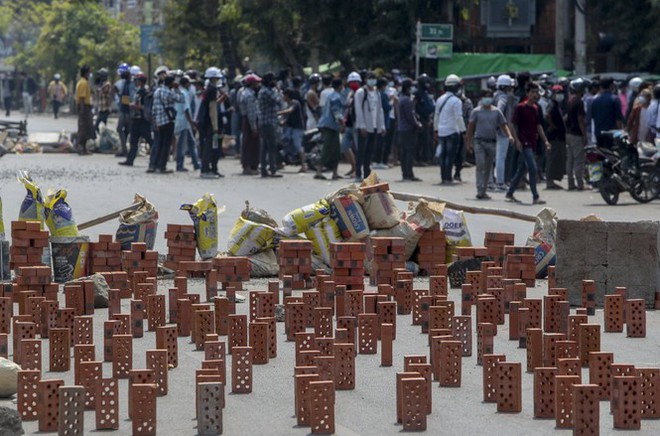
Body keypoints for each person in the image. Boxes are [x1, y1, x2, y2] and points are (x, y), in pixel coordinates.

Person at [505, 82, 549, 205]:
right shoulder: (520, 108)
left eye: (536, 92)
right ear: (527, 93)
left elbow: (538, 126)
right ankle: (535, 196)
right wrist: (517, 140)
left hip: (532, 141)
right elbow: (513, 125)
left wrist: (545, 141)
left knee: (522, 169)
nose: (535, 95)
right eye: (533, 92)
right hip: (524, 142)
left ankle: (510, 193)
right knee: (533, 169)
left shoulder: (535, 108)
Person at [466, 89, 513, 200]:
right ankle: (479, 189)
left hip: (491, 142)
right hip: (479, 142)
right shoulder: (476, 111)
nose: (488, 98)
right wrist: (469, 142)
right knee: (480, 165)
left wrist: (509, 136)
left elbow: (504, 125)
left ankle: (483, 191)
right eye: (485, 96)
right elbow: (470, 127)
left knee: (488, 168)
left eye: (489, 96)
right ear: (481, 98)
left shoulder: (496, 112)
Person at [433, 74, 465, 184]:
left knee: (443, 156)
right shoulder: (456, 101)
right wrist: (464, 131)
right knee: (450, 156)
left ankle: (443, 178)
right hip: (452, 132)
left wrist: (436, 130)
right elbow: (458, 118)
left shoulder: (439, 99)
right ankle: (448, 178)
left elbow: (436, 116)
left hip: (441, 132)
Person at [354, 71, 385, 181]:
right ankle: (358, 173)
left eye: (374, 78)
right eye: (370, 78)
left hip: (374, 125)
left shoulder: (377, 92)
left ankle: (366, 173)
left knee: (369, 151)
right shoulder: (360, 92)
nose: (372, 80)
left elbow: (380, 109)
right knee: (361, 150)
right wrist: (362, 125)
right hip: (364, 125)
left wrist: (382, 126)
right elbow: (358, 110)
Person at [150, 73, 184, 174]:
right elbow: (181, 99)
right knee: (166, 145)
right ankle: (162, 166)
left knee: (159, 144)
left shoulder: (157, 91)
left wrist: (155, 120)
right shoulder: (169, 93)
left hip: (159, 121)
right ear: (171, 83)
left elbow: (154, 108)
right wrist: (177, 89)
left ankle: (155, 165)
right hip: (168, 121)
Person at [196, 67, 225, 179]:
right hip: (209, 123)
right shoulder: (212, 89)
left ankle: (212, 169)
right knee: (209, 147)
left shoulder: (209, 88)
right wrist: (215, 126)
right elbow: (212, 109)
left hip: (205, 122)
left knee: (212, 147)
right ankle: (206, 170)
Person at [119, 73, 153, 166]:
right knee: (133, 141)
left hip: (143, 120)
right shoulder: (138, 91)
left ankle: (155, 159)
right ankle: (130, 160)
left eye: (137, 80)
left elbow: (147, 107)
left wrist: (136, 106)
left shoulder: (145, 92)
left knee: (149, 140)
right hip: (135, 119)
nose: (135, 82)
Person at [315, 77, 345, 180]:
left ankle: (335, 172)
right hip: (331, 126)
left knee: (336, 149)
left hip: (330, 126)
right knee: (328, 148)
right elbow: (336, 112)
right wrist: (342, 122)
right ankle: (319, 171)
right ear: (340, 86)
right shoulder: (336, 97)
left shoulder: (330, 95)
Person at [257, 72, 285, 178]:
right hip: (269, 122)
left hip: (264, 121)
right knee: (272, 147)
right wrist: (278, 90)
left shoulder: (263, 91)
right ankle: (273, 169)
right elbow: (280, 102)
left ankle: (264, 170)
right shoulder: (267, 92)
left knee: (264, 147)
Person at [565, 78, 588, 191]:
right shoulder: (579, 102)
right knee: (579, 159)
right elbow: (580, 120)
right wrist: (584, 135)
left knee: (570, 159)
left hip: (569, 133)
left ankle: (570, 183)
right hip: (576, 134)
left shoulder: (570, 101)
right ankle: (580, 183)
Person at [397, 79, 422, 182]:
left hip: (402, 128)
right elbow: (410, 116)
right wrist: (417, 124)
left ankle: (405, 174)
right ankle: (408, 174)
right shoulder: (407, 100)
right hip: (408, 129)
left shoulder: (401, 98)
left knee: (404, 152)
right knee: (409, 152)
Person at [174, 75, 200, 172]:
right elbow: (186, 109)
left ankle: (196, 164)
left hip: (182, 122)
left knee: (192, 143)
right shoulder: (184, 93)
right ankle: (179, 165)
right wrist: (191, 122)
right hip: (184, 122)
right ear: (186, 83)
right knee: (182, 145)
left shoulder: (179, 92)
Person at [544, 85, 567, 189]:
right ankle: (550, 182)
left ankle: (551, 181)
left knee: (556, 159)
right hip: (555, 137)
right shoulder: (552, 104)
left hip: (558, 136)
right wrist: (553, 125)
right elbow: (547, 115)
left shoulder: (557, 105)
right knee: (552, 158)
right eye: (557, 93)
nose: (559, 95)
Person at [591, 76, 623, 149]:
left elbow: (593, 116)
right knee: (611, 156)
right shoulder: (615, 99)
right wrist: (620, 133)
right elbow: (618, 119)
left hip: (598, 133)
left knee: (601, 155)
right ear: (611, 85)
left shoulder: (595, 100)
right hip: (611, 134)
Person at [279, 88, 307, 172]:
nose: (282, 97)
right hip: (291, 128)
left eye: (283, 95)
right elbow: (288, 118)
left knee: (298, 146)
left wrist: (278, 113)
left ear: (287, 96)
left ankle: (303, 165)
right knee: (286, 142)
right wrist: (282, 122)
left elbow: (290, 111)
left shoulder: (295, 103)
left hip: (297, 128)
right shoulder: (288, 104)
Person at [239, 74, 261, 175]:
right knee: (250, 144)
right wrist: (254, 128)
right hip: (249, 121)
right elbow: (251, 113)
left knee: (247, 143)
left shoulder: (243, 92)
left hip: (245, 120)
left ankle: (250, 165)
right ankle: (248, 166)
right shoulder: (249, 95)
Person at [114, 63, 135, 157]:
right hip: (123, 110)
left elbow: (130, 97)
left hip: (129, 110)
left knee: (131, 131)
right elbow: (121, 96)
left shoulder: (131, 85)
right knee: (119, 129)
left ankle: (131, 150)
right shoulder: (123, 84)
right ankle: (124, 149)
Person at [372, 77, 392, 170]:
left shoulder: (374, 93)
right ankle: (379, 161)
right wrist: (392, 101)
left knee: (376, 142)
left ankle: (376, 160)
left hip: (375, 121)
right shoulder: (383, 95)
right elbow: (387, 107)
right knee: (381, 142)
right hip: (383, 121)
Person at [75, 65, 94, 155]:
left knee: (87, 128)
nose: (90, 74)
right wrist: (82, 110)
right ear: (86, 73)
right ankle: (78, 146)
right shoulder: (83, 83)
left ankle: (84, 148)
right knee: (83, 128)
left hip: (86, 106)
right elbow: (82, 98)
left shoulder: (84, 82)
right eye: (89, 72)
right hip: (84, 107)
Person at [94, 69, 113, 133]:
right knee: (102, 127)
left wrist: (97, 85)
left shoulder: (107, 84)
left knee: (97, 126)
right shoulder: (102, 84)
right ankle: (102, 139)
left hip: (105, 109)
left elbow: (101, 90)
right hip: (101, 108)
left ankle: (104, 138)